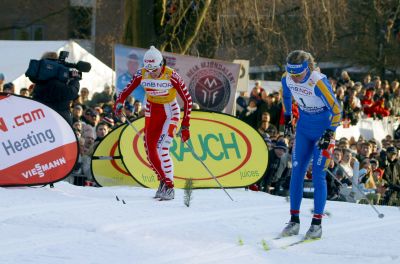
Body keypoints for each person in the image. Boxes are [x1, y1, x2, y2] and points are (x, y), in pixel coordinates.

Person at [114, 46, 192, 200]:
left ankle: (170, 186)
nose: (152, 74)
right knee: (149, 150)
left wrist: (185, 125)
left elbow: (187, 100)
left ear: (161, 64)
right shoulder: (142, 73)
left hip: (170, 112)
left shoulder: (171, 75)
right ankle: (163, 181)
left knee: (162, 148)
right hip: (152, 111)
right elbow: (126, 90)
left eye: (155, 70)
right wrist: (119, 102)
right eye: (149, 70)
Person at [280, 50, 342, 239]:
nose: (295, 79)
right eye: (292, 74)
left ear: (307, 69)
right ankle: (294, 221)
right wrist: (288, 117)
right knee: (296, 172)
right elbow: (287, 96)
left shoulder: (318, 82)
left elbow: (337, 110)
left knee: (317, 174)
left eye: (299, 74)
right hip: (304, 128)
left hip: (324, 129)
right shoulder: (287, 78)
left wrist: (330, 132)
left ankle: (316, 225)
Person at [31, 51, 80, 126]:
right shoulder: (54, 83)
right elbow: (72, 93)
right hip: (59, 122)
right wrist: (75, 80)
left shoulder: (39, 82)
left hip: (41, 121)